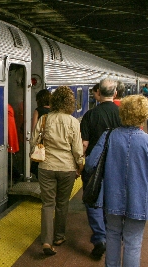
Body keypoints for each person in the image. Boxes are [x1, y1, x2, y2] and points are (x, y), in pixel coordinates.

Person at [85, 95, 148, 267]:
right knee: (133, 242)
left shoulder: (108, 136)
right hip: (138, 201)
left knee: (112, 236)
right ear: (145, 115)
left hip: (111, 198)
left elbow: (90, 164)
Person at [30, 86, 84, 256]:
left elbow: (33, 141)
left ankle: (46, 241)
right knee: (62, 203)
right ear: (69, 102)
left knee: (48, 204)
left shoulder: (44, 119)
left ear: (54, 101)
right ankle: (59, 237)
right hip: (67, 168)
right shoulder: (73, 122)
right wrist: (80, 166)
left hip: (46, 167)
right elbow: (77, 149)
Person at [80, 78, 121, 259]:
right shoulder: (122, 114)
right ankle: (111, 235)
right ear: (115, 94)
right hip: (117, 164)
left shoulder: (90, 115)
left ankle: (100, 238)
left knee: (93, 199)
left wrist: (80, 164)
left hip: (95, 165)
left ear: (98, 93)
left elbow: (84, 144)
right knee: (112, 200)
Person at [30, 89, 51, 180]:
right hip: (51, 144)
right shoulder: (54, 111)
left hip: (41, 145)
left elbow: (34, 129)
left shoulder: (38, 111)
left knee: (39, 167)